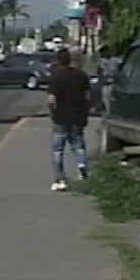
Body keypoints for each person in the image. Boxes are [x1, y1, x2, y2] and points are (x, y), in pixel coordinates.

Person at [45, 48, 91, 191]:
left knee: (58, 149)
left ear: (58, 61)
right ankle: (82, 168)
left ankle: (61, 180)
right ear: (70, 60)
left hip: (60, 117)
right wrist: (85, 111)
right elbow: (87, 96)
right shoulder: (81, 75)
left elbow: (52, 99)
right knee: (78, 145)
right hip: (78, 115)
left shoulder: (56, 77)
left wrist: (52, 112)